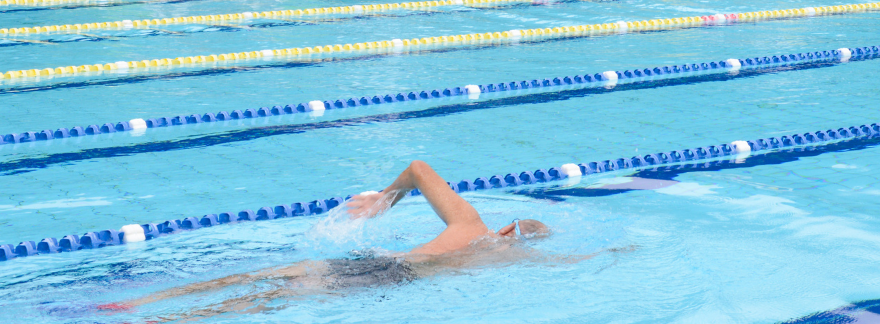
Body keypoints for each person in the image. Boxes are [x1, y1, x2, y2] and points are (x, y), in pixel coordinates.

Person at [100, 161, 560, 314]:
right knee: (274, 296)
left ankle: (137, 303)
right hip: (393, 280)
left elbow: (419, 169)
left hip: (382, 262)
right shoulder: (505, 259)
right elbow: (566, 264)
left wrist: (387, 199)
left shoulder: (471, 225)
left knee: (259, 275)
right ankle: (170, 320)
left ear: (506, 227)